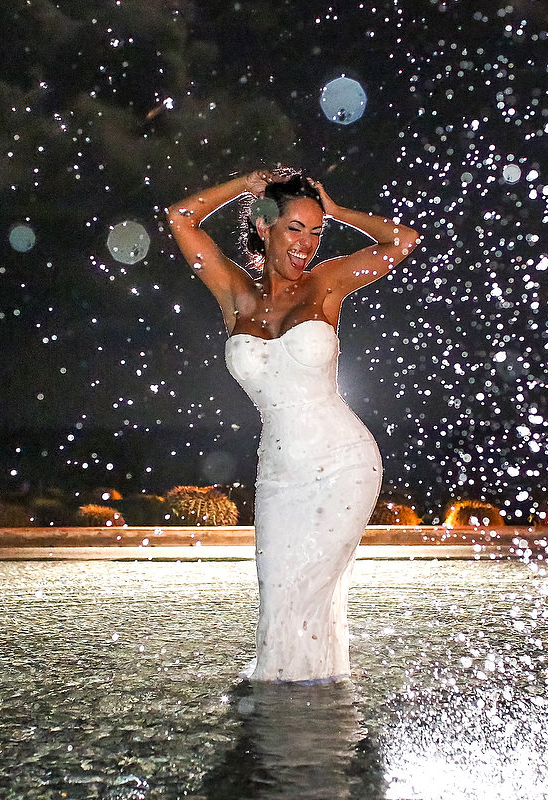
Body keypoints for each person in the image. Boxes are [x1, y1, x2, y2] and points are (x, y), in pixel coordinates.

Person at [167, 169, 420, 683]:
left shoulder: (326, 283)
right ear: (264, 227)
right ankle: (298, 729)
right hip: (280, 476)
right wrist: (243, 186)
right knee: (277, 604)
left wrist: (336, 207)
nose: (306, 244)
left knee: (303, 598)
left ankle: (291, 722)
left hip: (345, 463)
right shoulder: (234, 292)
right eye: (294, 229)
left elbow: (403, 241)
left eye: (315, 232)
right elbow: (180, 217)